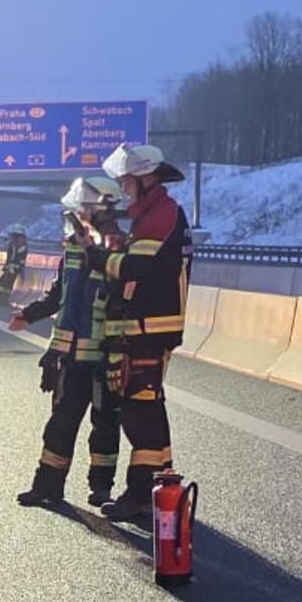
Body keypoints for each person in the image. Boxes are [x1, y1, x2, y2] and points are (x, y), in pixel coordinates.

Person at [12, 178, 125, 507]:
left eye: (78, 211)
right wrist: (29, 314)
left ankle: (101, 489)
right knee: (60, 423)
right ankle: (48, 485)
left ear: (92, 212)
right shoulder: (73, 251)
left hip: (104, 358)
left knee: (105, 424)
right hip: (71, 359)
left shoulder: (115, 249)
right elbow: (60, 297)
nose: (73, 218)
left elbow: (120, 303)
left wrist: (116, 352)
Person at [98, 143, 191, 524]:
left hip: (152, 328)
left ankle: (140, 494)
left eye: (125, 180)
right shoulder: (152, 214)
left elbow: (136, 267)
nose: (122, 187)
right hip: (146, 327)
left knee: (140, 413)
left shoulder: (162, 214)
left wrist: (100, 258)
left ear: (144, 177)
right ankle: (162, 488)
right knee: (146, 408)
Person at [0, 225, 31, 302]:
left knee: (6, 284)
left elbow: (20, 260)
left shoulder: (22, 247)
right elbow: (6, 245)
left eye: (13, 235)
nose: (12, 237)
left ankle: (1, 299)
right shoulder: (14, 244)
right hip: (9, 268)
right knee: (1, 282)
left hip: (13, 269)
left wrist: (14, 268)